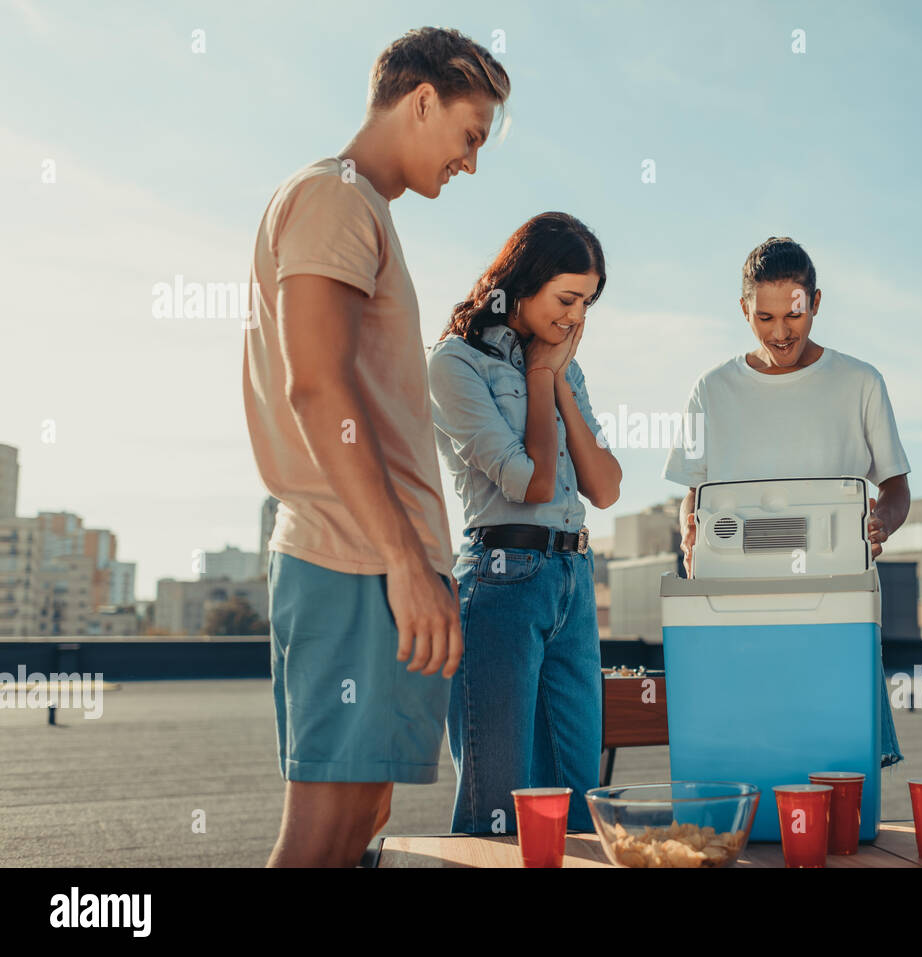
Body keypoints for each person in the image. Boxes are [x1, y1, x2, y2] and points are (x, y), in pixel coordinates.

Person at [243, 27, 509, 867]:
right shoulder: (335, 198)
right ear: (420, 99)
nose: (471, 162)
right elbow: (316, 386)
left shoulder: (363, 210)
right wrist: (401, 558)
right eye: (470, 134)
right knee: (321, 839)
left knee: (360, 822)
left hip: (378, 563)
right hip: (353, 559)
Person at [663, 236, 912, 768]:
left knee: (836, 758)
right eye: (764, 317)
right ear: (744, 310)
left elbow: (895, 486)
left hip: (837, 601)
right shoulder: (711, 389)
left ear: (815, 303)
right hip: (734, 604)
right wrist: (689, 531)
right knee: (746, 750)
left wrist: (881, 522)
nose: (780, 333)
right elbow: (692, 494)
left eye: (794, 314)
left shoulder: (861, 382)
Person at [427, 212, 621, 835]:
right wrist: (540, 376)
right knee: (500, 807)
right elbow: (532, 484)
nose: (575, 317)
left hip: (573, 577)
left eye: (586, 304)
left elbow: (606, 486)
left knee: (579, 800)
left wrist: (558, 378)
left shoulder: (569, 366)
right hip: (502, 583)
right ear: (525, 281)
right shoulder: (453, 365)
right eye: (566, 298)